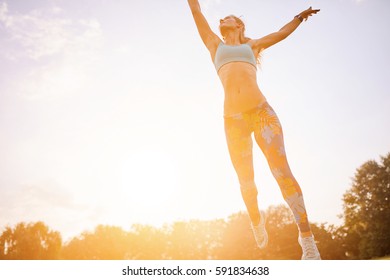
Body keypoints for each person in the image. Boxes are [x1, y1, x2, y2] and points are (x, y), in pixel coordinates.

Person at [187, 0, 321, 260]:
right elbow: (196, 11)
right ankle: (256, 220)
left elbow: (280, 33)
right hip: (233, 119)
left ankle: (307, 240)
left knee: (282, 173)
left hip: (261, 113)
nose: (222, 19)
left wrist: (298, 17)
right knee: (246, 182)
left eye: (228, 17)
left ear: (238, 24)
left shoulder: (253, 45)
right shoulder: (214, 44)